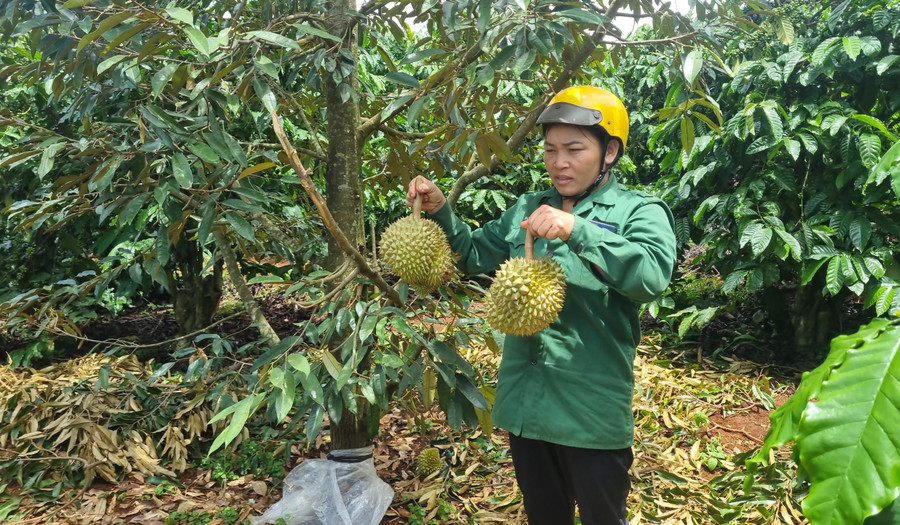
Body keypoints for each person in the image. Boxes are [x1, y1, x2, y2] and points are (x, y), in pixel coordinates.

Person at [406, 85, 677, 525]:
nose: (559, 162)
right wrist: (441, 212)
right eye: (550, 149)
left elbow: (651, 278)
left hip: (590, 413)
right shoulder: (529, 208)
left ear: (609, 152)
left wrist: (579, 230)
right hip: (526, 407)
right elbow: (474, 253)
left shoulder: (639, 211)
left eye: (574, 149)